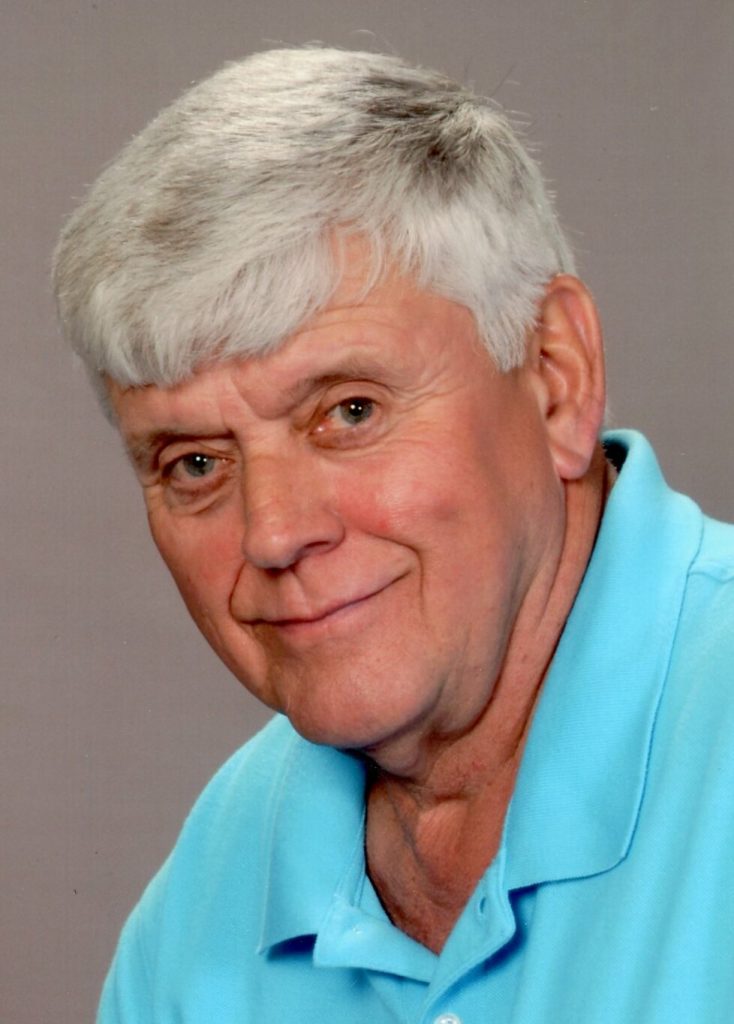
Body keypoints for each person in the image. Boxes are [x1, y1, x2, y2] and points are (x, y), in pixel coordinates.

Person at [53, 47, 734, 1023]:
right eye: (196, 463)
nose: (275, 532)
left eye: (349, 411)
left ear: (555, 379)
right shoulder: (197, 916)